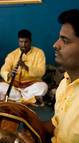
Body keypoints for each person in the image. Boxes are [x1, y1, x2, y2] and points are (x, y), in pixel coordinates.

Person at [44, 9, 79, 143]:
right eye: (59, 38)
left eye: (65, 40)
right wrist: (26, 120)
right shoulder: (65, 82)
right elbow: (56, 125)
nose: (55, 45)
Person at [0, 29, 48, 105]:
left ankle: (17, 100)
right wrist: (9, 74)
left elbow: (41, 71)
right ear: (18, 41)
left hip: (31, 86)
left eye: (26, 42)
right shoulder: (12, 54)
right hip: (15, 86)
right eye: (21, 42)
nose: (23, 45)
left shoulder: (39, 53)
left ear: (30, 41)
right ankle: (28, 99)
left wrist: (25, 67)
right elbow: (3, 70)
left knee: (43, 87)